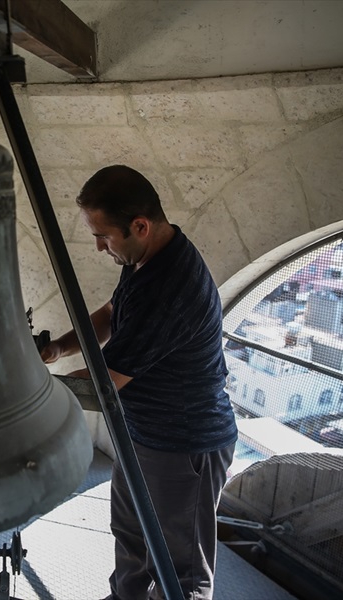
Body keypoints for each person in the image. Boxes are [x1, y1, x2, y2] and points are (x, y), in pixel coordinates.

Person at [39, 165, 238, 600]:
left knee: (181, 572)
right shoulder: (148, 255)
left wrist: (29, 393)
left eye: (103, 236)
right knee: (130, 535)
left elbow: (103, 384)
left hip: (186, 446)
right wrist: (56, 350)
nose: (98, 247)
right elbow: (112, 313)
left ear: (140, 225)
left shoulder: (170, 288)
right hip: (145, 433)